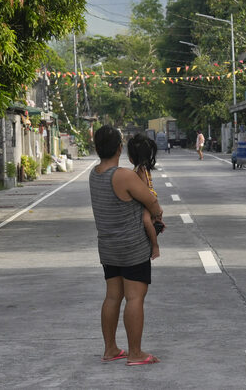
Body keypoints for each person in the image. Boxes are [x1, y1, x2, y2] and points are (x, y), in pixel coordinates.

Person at [89, 125, 162, 366]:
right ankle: (135, 353)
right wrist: (157, 215)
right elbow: (151, 201)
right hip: (132, 247)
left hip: (108, 247)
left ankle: (110, 349)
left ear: (97, 148)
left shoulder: (94, 173)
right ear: (120, 148)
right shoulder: (124, 175)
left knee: (112, 297)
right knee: (135, 298)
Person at [126, 133, 164, 260]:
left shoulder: (140, 170)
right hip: (148, 197)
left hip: (147, 199)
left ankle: (155, 246)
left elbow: (143, 190)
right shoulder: (141, 168)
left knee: (146, 221)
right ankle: (158, 224)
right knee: (151, 220)